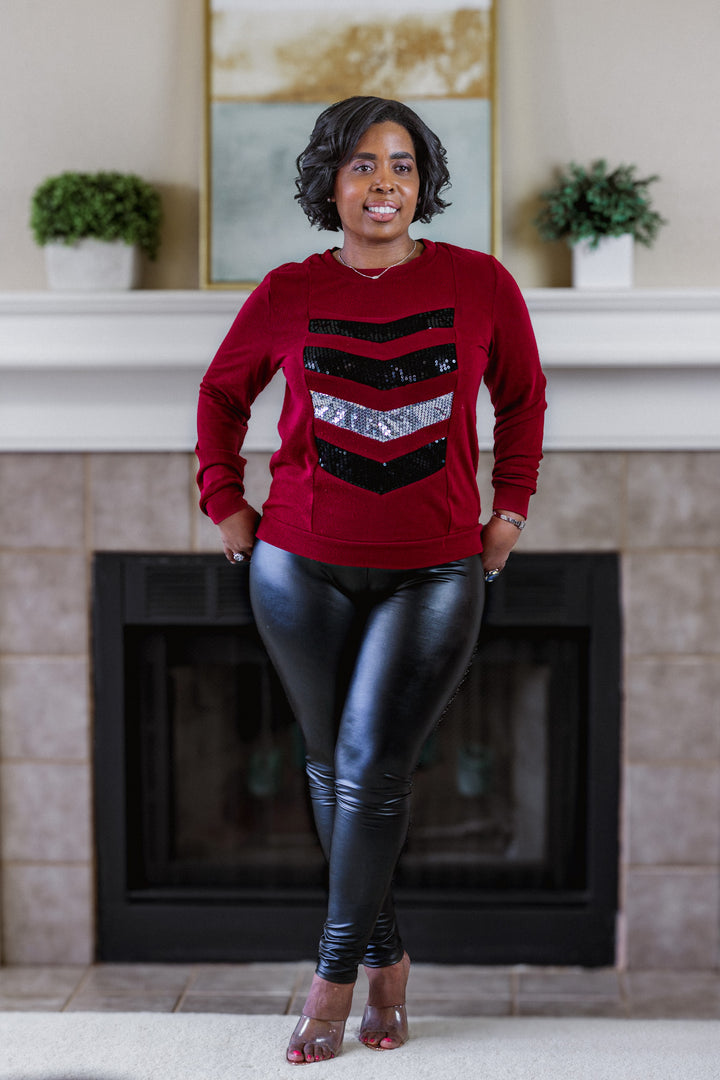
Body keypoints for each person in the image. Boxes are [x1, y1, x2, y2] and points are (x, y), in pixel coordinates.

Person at [196, 95, 546, 1065]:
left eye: (400, 164)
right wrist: (224, 501)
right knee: (330, 767)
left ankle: (334, 975)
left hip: (432, 572)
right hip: (295, 569)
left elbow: (521, 400)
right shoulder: (284, 292)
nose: (382, 181)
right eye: (360, 164)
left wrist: (508, 512)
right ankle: (390, 957)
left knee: (374, 769)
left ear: (424, 183)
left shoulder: (481, 286)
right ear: (329, 183)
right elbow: (222, 395)